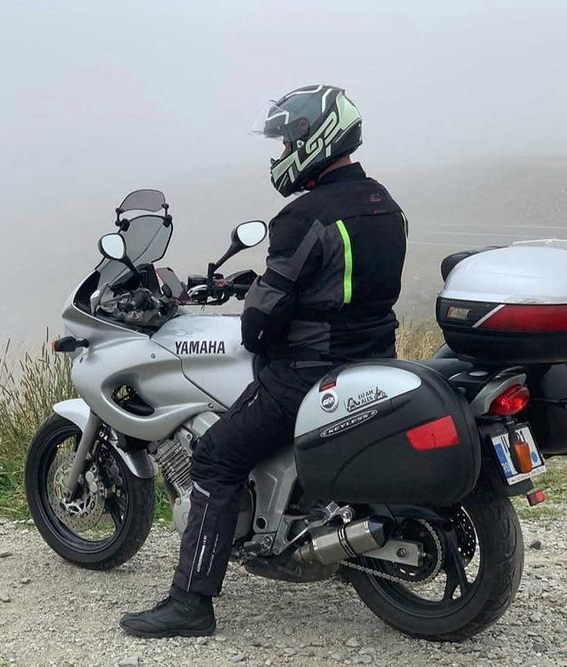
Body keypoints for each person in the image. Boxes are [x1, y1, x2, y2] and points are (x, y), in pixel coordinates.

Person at [119, 84, 409, 638]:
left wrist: (260, 309)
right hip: (374, 361)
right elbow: (341, 286)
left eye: (285, 142)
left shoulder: (303, 217)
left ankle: (190, 602)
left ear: (313, 139)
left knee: (215, 458)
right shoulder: (385, 205)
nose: (281, 154)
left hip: (307, 373)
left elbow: (258, 326)